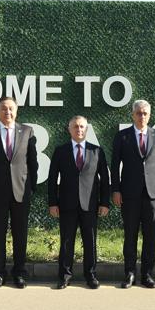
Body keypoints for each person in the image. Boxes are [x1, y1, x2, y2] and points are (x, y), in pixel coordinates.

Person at [110, 99, 155, 288]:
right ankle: (129, 274)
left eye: (145, 113)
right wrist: (116, 189)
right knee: (130, 234)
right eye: (138, 113)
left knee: (150, 235)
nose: (142, 116)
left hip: (153, 194)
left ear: (149, 115)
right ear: (132, 115)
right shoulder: (122, 136)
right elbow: (114, 165)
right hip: (129, 193)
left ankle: (147, 275)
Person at [0, 97, 38, 288]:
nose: (8, 112)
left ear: (16, 111)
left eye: (11, 109)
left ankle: (19, 272)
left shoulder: (27, 132)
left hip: (21, 192)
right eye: (3, 109)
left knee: (20, 233)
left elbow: (33, 163)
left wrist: (31, 187)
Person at [47, 116, 111, 288]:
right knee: (66, 241)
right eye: (75, 127)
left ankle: (90, 275)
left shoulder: (97, 151)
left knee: (90, 241)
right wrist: (52, 203)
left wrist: (104, 202)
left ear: (86, 129)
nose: (79, 130)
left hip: (90, 205)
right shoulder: (61, 151)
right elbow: (52, 179)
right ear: (70, 129)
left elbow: (105, 179)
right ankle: (65, 275)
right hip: (67, 205)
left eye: (82, 127)